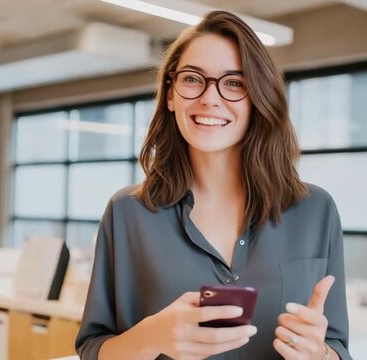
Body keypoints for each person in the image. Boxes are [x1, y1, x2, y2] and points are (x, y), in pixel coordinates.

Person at [75, 10, 351, 360]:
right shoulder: (128, 213)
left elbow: (339, 348)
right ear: (171, 94)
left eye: (234, 83)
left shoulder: (315, 210)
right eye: (192, 79)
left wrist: (320, 355)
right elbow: (91, 349)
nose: (210, 98)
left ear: (257, 99)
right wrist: (149, 339)